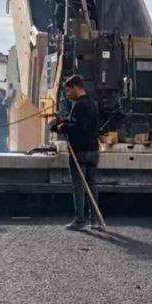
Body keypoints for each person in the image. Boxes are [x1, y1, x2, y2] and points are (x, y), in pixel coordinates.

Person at [50, 75, 101, 231]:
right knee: (92, 185)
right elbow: (82, 123)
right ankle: (95, 220)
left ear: (75, 87)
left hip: (79, 151)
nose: (67, 94)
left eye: (68, 90)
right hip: (94, 151)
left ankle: (79, 220)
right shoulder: (93, 104)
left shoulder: (78, 105)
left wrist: (60, 127)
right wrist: (66, 121)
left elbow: (77, 127)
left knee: (78, 186)